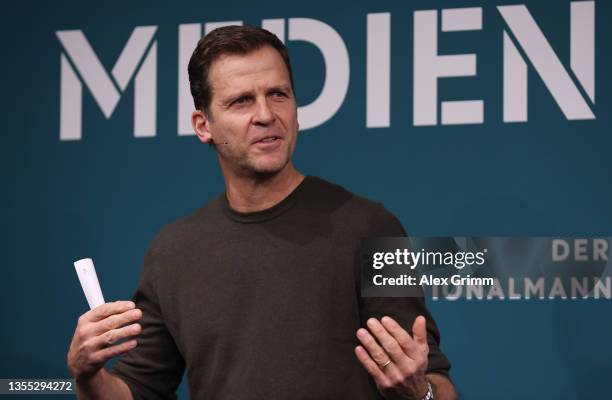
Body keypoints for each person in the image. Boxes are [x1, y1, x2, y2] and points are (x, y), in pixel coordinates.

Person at [66, 25, 457, 400]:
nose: (266, 114)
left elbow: (435, 385)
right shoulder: (173, 252)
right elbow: (139, 392)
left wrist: (418, 393)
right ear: (203, 125)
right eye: (241, 101)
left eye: (278, 95)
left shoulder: (369, 227)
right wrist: (87, 375)